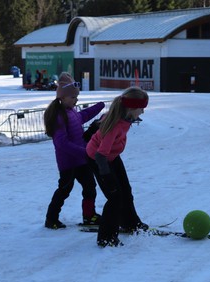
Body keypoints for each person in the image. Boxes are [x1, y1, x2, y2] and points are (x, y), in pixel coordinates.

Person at [86, 86, 149, 247]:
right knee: (114, 197)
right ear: (131, 107)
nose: (142, 112)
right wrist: (107, 178)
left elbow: (100, 122)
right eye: (141, 108)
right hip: (99, 159)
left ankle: (131, 223)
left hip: (112, 157)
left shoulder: (124, 117)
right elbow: (100, 155)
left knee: (125, 191)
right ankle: (106, 237)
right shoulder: (115, 125)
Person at [44, 72, 105, 229]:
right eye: (72, 97)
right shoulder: (59, 116)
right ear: (62, 98)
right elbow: (61, 143)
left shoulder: (71, 112)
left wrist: (99, 106)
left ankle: (89, 216)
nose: (76, 100)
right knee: (64, 190)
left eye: (76, 97)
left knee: (90, 187)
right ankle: (51, 219)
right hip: (68, 162)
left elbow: (82, 116)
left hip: (81, 160)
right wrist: (83, 152)